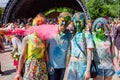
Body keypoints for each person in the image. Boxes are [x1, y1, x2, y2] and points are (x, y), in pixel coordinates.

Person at [14, 15, 48, 80]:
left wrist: (49, 66)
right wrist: (18, 73)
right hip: (31, 67)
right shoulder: (27, 39)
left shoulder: (43, 39)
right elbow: (22, 56)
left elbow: (45, 54)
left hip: (42, 67)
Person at [64, 12, 93, 80]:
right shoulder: (74, 34)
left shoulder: (87, 35)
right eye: (76, 22)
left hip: (82, 64)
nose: (78, 24)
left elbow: (89, 53)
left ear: (83, 22)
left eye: (80, 22)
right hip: (72, 64)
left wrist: (88, 70)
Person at [47, 12, 72, 80]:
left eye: (66, 22)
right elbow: (45, 49)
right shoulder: (50, 32)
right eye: (62, 21)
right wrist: (48, 63)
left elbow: (70, 51)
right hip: (52, 66)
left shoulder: (69, 35)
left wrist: (67, 67)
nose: (64, 24)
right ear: (58, 20)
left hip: (63, 67)